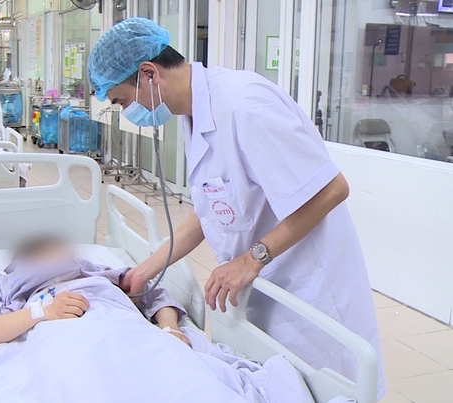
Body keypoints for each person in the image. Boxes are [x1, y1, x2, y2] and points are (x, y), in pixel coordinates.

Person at [88, 17, 385, 399]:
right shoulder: (193, 113)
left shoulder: (245, 105)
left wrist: (252, 259)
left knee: (330, 390)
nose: (127, 112)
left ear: (149, 74)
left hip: (309, 288)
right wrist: (146, 270)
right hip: (265, 288)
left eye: (123, 101)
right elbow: (210, 208)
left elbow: (331, 189)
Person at [0, 236, 189, 348]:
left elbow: (154, 294)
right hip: (64, 340)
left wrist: (169, 327)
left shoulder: (95, 272)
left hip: (125, 328)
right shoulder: (6, 283)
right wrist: (43, 311)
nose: (68, 254)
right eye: (56, 250)